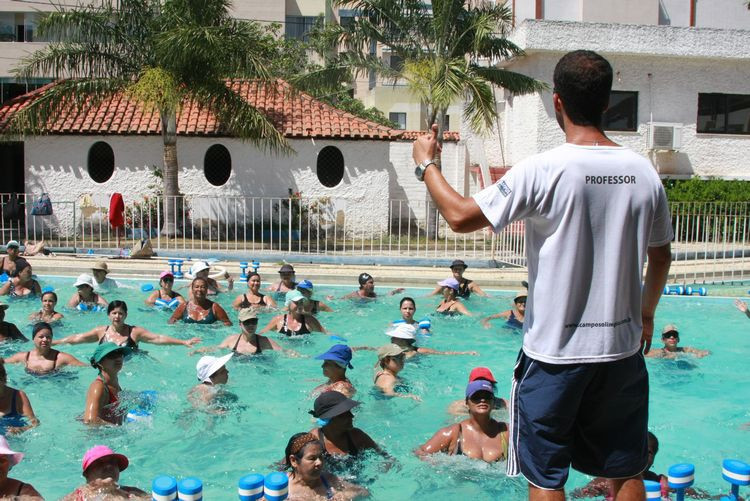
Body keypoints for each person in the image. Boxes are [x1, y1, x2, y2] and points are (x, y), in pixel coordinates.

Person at [412, 50, 673, 499]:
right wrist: (646, 315)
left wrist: (427, 164)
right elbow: (661, 256)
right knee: (626, 467)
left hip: (554, 357)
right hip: (621, 353)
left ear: (557, 102)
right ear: (607, 103)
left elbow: (458, 216)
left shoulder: (543, 169)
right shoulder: (643, 173)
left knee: (546, 474)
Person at [416, 380, 508, 463]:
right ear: (467, 403)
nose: (482, 400)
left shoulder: (506, 432)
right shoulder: (453, 433)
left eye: (487, 396)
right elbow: (419, 452)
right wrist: (435, 463)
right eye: (476, 397)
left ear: (493, 402)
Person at [55, 300, 201, 349]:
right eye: (114, 313)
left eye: (120, 313)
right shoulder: (101, 331)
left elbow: (157, 338)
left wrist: (183, 342)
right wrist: (54, 342)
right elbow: (77, 338)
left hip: (132, 365)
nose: (117, 316)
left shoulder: (134, 332)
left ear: (125, 315)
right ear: (108, 315)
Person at [307, 392, 381, 469]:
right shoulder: (313, 441)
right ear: (328, 419)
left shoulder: (357, 436)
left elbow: (384, 455)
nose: (352, 416)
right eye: (343, 415)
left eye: (349, 412)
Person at [284, 432, 368, 500]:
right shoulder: (281, 486)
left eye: (320, 456)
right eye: (312, 458)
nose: (319, 462)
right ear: (293, 461)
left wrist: (345, 495)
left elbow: (364, 492)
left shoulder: (328, 480)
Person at [62, 445, 147, 500]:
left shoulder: (133, 493)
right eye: (100, 463)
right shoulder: (77, 497)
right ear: (87, 474)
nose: (108, 466)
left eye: (112, 463)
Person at [193, 309, 284, 356]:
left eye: (253, 322)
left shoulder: (264, 341)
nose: (251, 325)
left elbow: (283, 351)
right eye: (247, 322)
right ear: (240, 324)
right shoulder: (231, 340)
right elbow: (217, 348)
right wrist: (199, 350)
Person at [5, 322, 86, 374]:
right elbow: (3, 362)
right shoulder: (24, 357)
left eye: (48, 337)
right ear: (33, 338)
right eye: (41, 337)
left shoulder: (60, 358)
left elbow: (85, 367)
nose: (45, 340)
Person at [84, 342, 129, 425]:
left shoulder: (115, 385)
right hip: (100, 437)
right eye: (112, 355)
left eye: (120, 354)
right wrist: (118, 430)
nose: (118, 358)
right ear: (99, 362)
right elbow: (90, 420)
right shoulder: (98, 387)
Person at [383, 322, 477, 358]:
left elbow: (443, 353)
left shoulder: (419, 351)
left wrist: (465, 353)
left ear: (404, 339)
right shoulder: (392, 349)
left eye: (395, 337)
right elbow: (376, 349)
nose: (391, 338)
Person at [259, 290, 327, 336]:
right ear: (288, 304)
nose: (300, 305)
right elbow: (262, 334)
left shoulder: (310, 320)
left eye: (301, 302)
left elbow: (326, 333)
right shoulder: (278, 320)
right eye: (296, 303)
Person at [0, 360, 38, 434]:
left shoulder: (18, 396)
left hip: (13, 441)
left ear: (4, 379)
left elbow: (35, 423)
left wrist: (21, 429)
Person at [646, 324, 710, 359]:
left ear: (678, 339)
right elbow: (644, 356)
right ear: (663, 340)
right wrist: (666, 357)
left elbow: (707, 352)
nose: (672, 337)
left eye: (674, 334)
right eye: (668, 335)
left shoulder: (684, 350)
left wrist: (700, 354)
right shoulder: (658, 352)